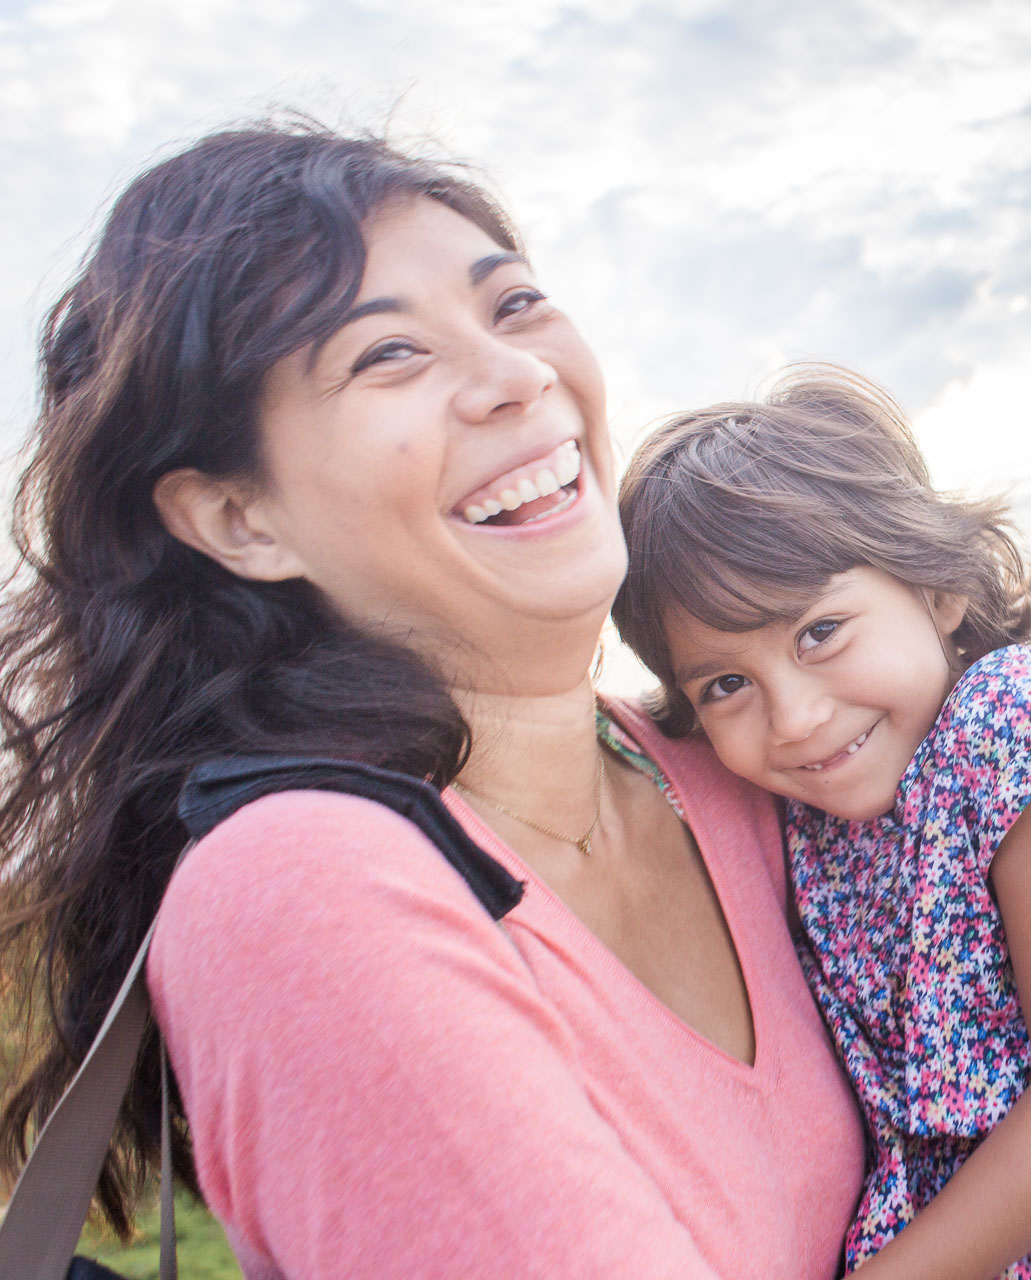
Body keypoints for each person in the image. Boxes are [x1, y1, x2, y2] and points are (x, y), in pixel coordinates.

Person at [0, 121, 865, 1277]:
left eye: (512, 306)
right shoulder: (301, 889)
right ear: (237, 519)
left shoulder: (748, 766)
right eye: (388, 356)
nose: (519, 376)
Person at [612, 368, 1031, 1278]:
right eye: (727, 684)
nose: (793, 716)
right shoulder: (812, 806)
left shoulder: (1020, 742)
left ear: (937, 587)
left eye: (819, 631)